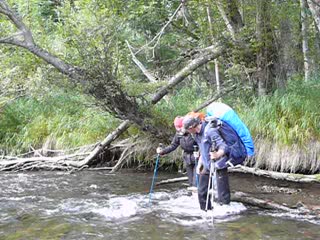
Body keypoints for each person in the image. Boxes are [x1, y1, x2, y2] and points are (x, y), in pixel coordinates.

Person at [182, 103, 253, 211]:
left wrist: (217, 154)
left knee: (222, 195)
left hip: (219, 164)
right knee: (202, 192)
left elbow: (223, 146)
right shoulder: (195, 134)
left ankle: (225, 213)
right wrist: (201, 162)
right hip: (207, 165)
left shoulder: (210, 130)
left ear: (192, 127)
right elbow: (202, 147)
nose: (187, 132)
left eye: (188, 129)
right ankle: (206, 211)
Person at [156, 116, 199, 189]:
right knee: (191, 182)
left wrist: (200, 153)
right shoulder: (178, 135)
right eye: (176, 127)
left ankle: (199, 196)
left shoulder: (193, 132)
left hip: (197, 158)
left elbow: (202, 143)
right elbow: (173, 145)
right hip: (187, 159)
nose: (179, 129)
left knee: (196, 182)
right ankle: (193, 197)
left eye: (180, 126)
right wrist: (162, 151)